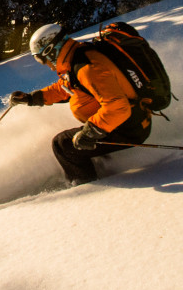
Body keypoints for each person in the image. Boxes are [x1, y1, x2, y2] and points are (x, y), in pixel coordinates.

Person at [9, 23, 152, 185]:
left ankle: (85, 187)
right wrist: (31, 98)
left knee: (63, 144)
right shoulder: (76, 57)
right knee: (76, 139)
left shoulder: (86, 67)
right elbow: (64, 88)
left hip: (128, 127)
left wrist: (92, 131)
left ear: (51, 51)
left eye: (42, 59)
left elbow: (118, 106)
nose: (47, 65)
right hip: (127, 122)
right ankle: (100, 167)